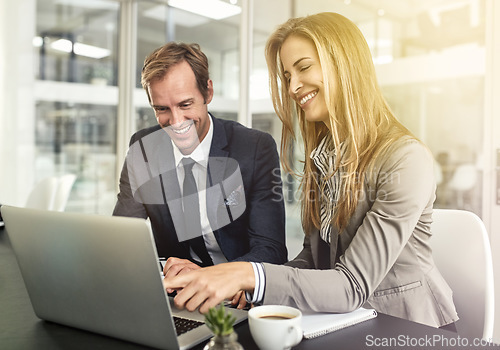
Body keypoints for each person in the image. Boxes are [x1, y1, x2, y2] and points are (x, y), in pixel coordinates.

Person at [163, 12, 459, 329]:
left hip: (410, 329)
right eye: (287, 75)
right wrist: (243, 284)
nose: (292, 86)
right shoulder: (324, 158)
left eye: (303, 68)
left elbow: (351, 286)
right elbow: (313, 260)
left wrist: (247, 274)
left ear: (345, 65)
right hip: (349, 323)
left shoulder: (406, 158)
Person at [113, 42, 287, 284]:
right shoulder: (143, 149)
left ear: (208, 93)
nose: (175, 121)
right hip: (177, 293)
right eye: (162, 109)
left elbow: (272, 249)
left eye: (185, 105)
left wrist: (207, 277)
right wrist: (163, 268)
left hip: (235, 290)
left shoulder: (254, 148)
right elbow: (120, 240)